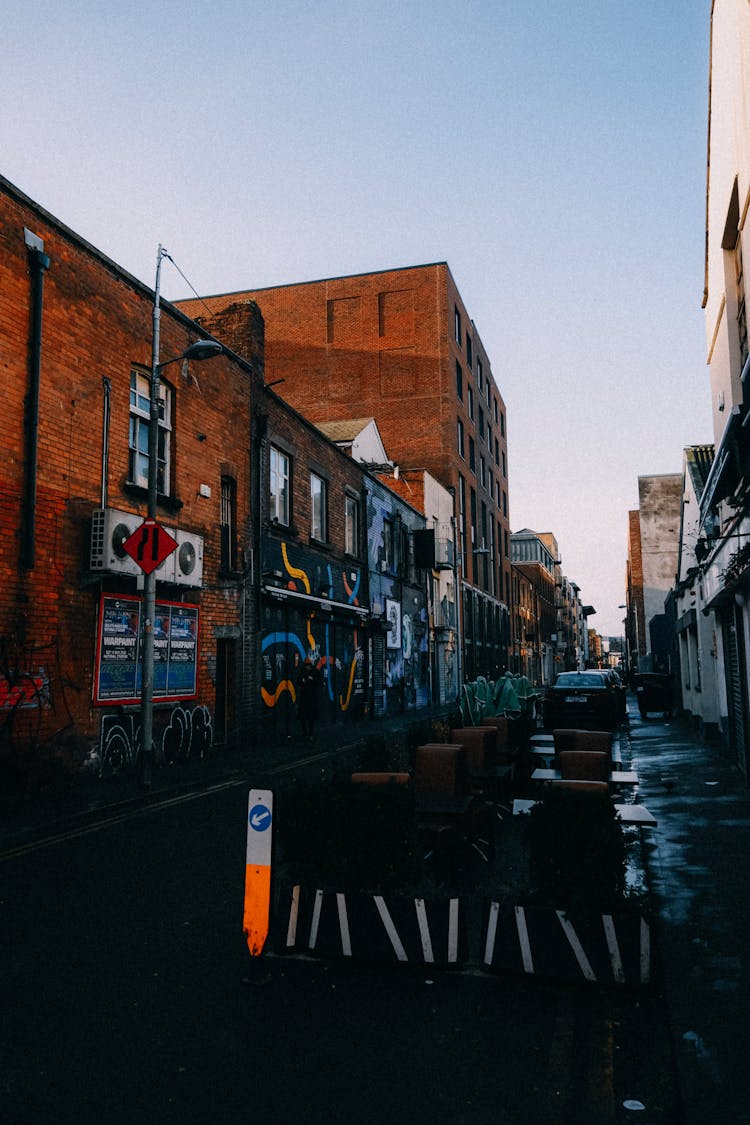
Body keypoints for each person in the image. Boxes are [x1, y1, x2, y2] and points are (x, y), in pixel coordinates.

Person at [297, 657, 319, 741]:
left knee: (311, 718)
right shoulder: (303, 672)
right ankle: (305, 733)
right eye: (306, 666)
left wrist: (312, 679)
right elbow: (298, 681)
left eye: (308, 665)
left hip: (311, 697)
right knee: (303, 717)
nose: (307, 667)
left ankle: (310, 734)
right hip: (304, 697)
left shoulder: (314, 672)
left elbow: (318, 681)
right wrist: (302, 681)